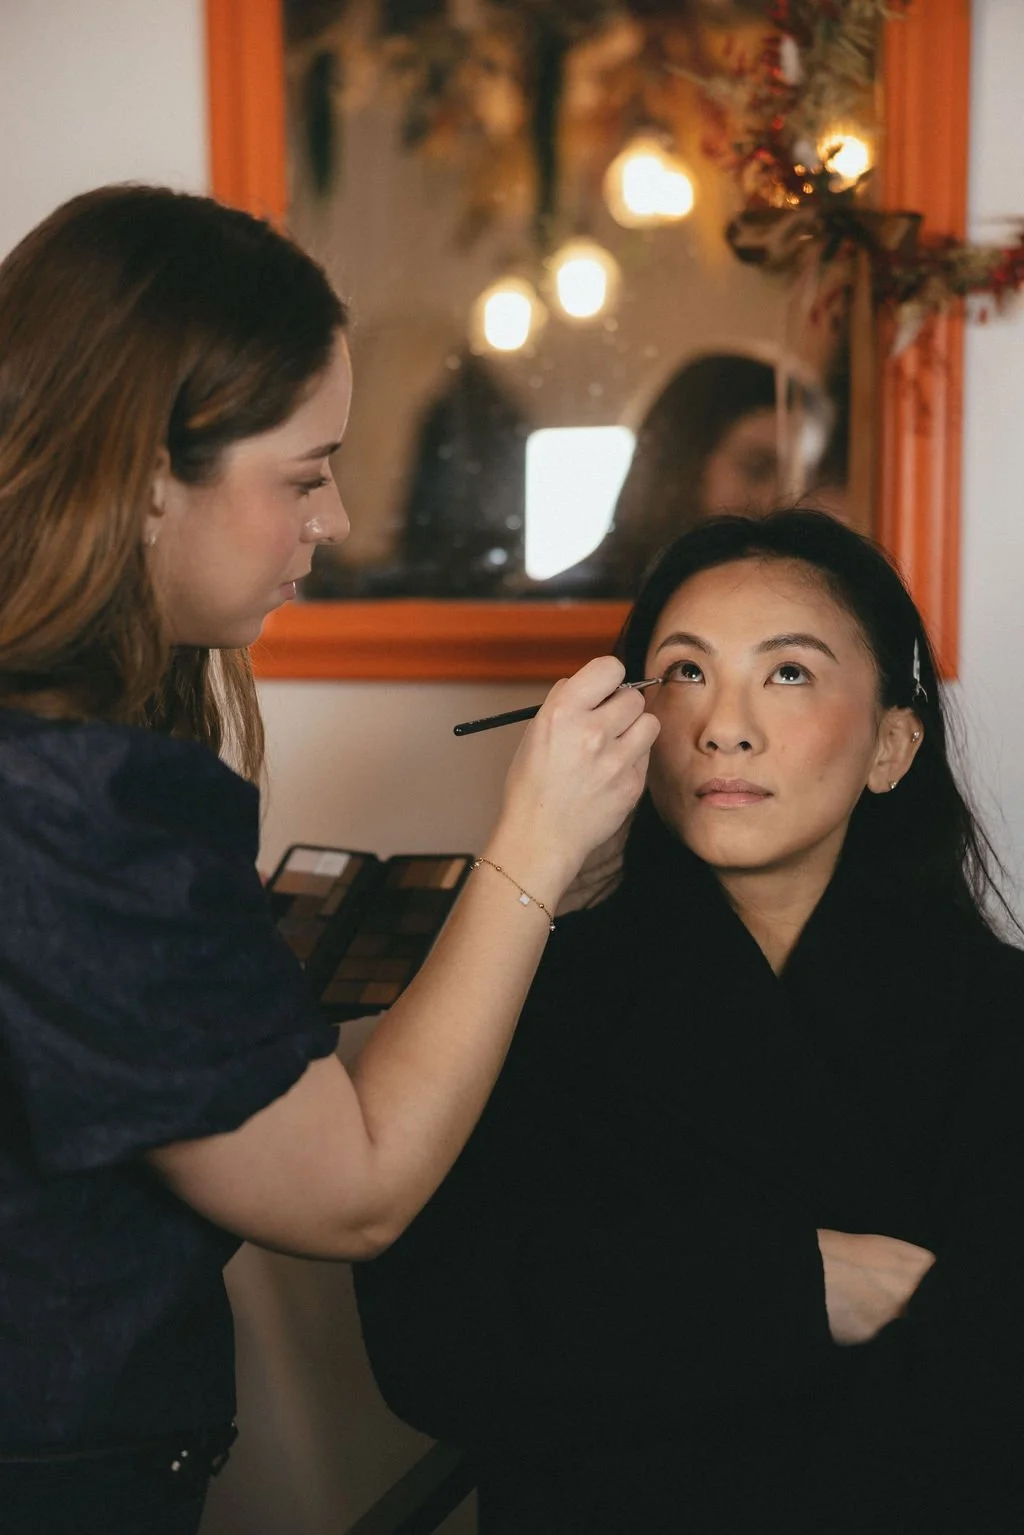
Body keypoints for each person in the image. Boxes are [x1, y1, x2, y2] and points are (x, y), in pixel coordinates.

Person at [0, 185, 660, 1534]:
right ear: (140, 474)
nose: (341, 519)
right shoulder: (74, 802)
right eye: (301, 474)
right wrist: (531, 844)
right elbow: (351, 1192)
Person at [355, 509, 1024, 1533]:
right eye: (685, 673)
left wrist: (637, 1318)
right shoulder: (522, 996)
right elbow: (435, 1342)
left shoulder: (996, 1016)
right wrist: (793, 1285)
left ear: (892, 742)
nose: (723, 725)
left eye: (788, 672)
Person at [547, 351, 835, 597]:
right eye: (756, 469)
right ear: (683, 465)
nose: (783, 498)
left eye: (801, 479)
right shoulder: (560, 605)